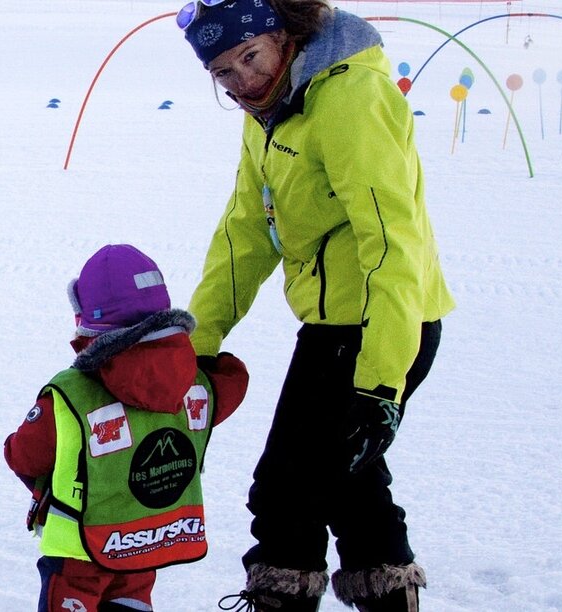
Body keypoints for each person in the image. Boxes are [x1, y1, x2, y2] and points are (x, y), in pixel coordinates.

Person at [177, 1, 454, 610]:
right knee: (347, 480)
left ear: (282, 35)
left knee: (286, 488)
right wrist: (197, 344)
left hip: (385, 322)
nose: (243, 80)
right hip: (332, 325)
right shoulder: (270, 114)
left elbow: (394, 240)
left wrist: (381, 383)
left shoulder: (352, 98)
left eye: (250, 57)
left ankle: (285, 595)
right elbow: (246, 234)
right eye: (224, 73)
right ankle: (387, 595)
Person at [3, 244, 249, 612]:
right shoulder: (198, 383)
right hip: (144, 549)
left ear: (88, 320)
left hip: (78, 552)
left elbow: (22, 454)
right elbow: (234, 379)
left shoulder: (71, 395)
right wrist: (186, 355)